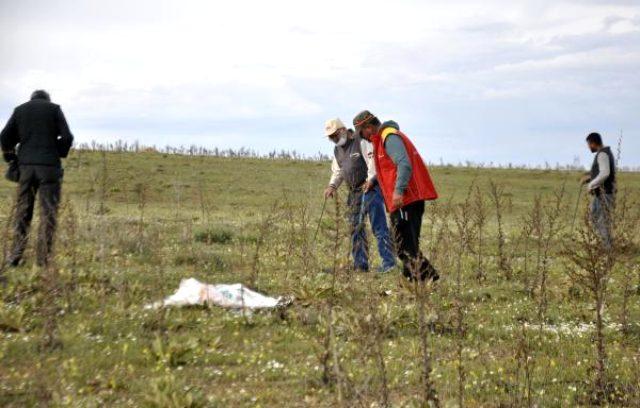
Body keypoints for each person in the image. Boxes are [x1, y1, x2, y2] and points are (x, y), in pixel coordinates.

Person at [352, 110, 439, 281]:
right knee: (404, 245)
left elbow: (404, 164)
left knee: (404, 245)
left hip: (406, 200)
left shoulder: (389, 137)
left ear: (368, 128)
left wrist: (398, 191)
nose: (363, 138)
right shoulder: (383, 139)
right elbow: (388, 169)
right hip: (401, 201)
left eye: (362, 134)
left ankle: (426, 279)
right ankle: (415, 281)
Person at [0, 90, 74, 267]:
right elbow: (67, 137)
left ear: (31, 99)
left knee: (23, 212)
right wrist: (58, 151)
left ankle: (15, 257)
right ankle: (43, 261)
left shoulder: (20, 110)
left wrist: (11, 157)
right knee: (48, 214)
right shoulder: (54, 109)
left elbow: (4, 136)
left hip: (25, 168)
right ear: (48, 99)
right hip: (49, 168)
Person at [323, 118, 396, 273]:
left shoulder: (360, 140)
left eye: (335, 135)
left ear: (343, 130)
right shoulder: (337, 151)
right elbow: (338, 171)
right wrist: (332, 186)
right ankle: (360, 265)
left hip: (371, 189)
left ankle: (389, 264)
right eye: (330, 137)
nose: (333, 139)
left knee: (379, 227)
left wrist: (370, 180)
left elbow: (372, 161)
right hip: (354, 192)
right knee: (356, 228)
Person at [580, 132, 616, 248]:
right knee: (595, 217)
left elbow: (605, 173)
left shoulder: (602, 154)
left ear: (593, 143)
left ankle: (607, 249)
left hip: (604, 194)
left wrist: (591, 184)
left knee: (602, 221)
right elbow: (602, 172)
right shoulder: (605, 153)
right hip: (601, 194)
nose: (589, 147)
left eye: (589, 144)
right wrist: (589, 178)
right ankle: (606, 245)